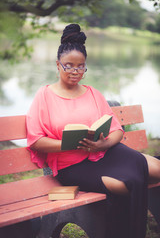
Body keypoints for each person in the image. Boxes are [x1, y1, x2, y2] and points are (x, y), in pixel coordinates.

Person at [26, 23, 160, 238]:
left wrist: (103, 143)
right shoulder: (44, 96)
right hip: (72, 165)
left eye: (81, 67)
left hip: (105, 152)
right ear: (58, 65)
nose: (75, 72)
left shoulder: (93, 93)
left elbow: (116, 130)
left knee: (149, 171)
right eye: (69, 65)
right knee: (125, 185)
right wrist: (70, 143)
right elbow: (35, 140)